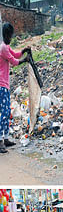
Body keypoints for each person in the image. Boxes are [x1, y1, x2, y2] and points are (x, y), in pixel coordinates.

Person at [0, 23, 30, 153]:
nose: (10, 38)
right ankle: (0, 140)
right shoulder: (3, 48)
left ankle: (5, 138)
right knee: (3, 113)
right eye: (9, 35)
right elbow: (14, 61)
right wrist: (25, 60)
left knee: (7, 112)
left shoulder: (6, 46)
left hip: (5, 84)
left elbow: (16, 55)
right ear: (6, 35)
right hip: (1, 84)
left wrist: (23, 51)